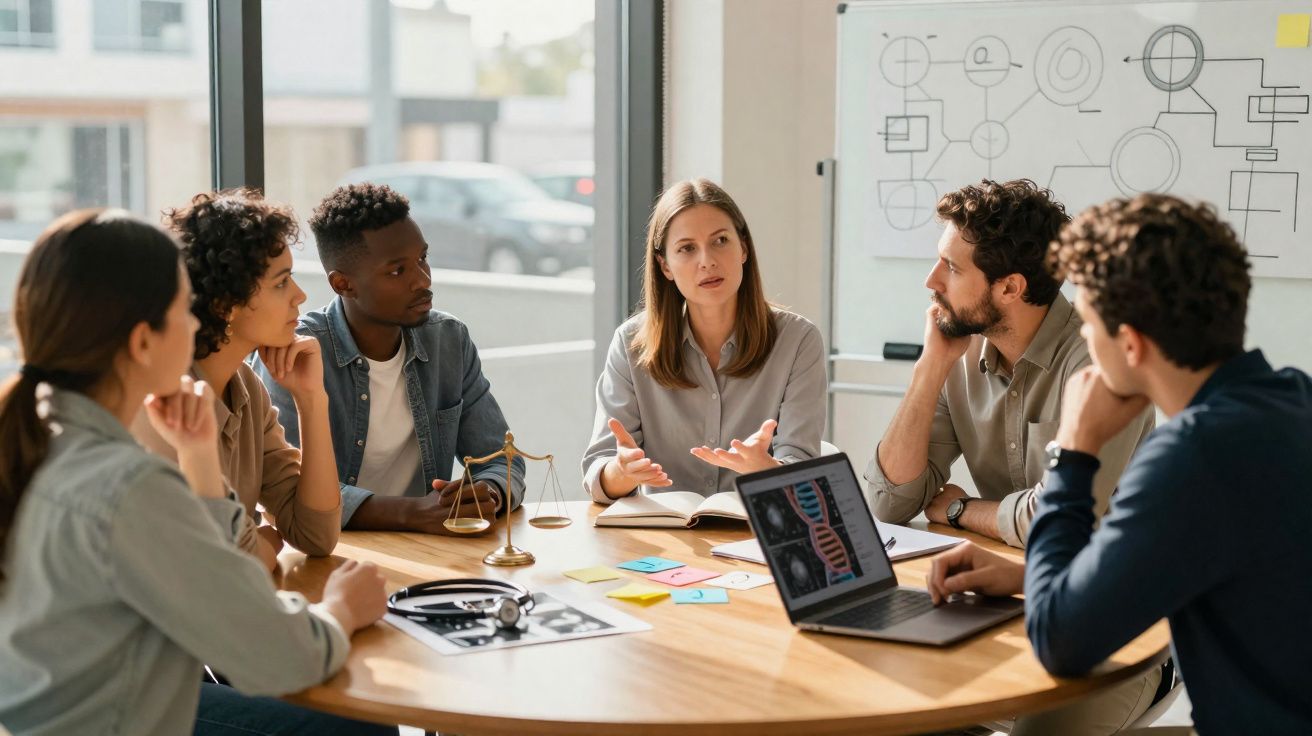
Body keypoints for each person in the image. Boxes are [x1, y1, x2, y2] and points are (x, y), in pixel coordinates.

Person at [928, 194, 1312, 734]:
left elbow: (1060, 642)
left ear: (1129, 345)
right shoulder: (1293, 401)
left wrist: (1074, 450)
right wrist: (1027, 576)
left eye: (1087, 325)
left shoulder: (1191, 458)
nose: (1083, 340)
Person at [0, 210, 391, 735]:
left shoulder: (47, 445)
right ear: (143, 342)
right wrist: (343, 607)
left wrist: (203, 459)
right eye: (182, 308)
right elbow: (281, 652)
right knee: (357, 726)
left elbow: (237, 575)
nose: (194, 321)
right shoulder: (127, 485)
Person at [865, 179, 1153, 548]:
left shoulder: (1099, 361)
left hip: (1111, 582)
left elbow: (1059, 524)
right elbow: (889, 503)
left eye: (951, 268)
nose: (930, 280)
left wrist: (961, 510)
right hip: (1007, 571)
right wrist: (930, 368)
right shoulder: (956, 354)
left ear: (1009, 289)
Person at [254, 183, 521, 534]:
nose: (422, 280)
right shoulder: (296, 354)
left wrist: (488, 493)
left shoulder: (448, 340)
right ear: (343, 284)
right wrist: (411, 514)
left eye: (423, 259)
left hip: (430, 547)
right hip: (334, 551)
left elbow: (501, 458)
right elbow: (291, 491)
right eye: (397, 271)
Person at [132, 190, 343, 572]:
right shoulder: (162, 401)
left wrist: (312, 401)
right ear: (225, 306)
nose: (300, 295)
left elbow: (317, 535)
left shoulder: (246, 389)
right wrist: (259, 545)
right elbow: (223, 564)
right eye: (281, 283)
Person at [582, 178, 825, 502]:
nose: (707, 261)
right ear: (665, 266)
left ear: (744, 248)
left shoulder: (798, 341)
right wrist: (622, 473)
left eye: (720, 241)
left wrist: (766, 469)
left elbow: (802, 472)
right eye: (687, 248)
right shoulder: (630, 344)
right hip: (665, 541)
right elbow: (599, 477)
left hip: (755, 538)